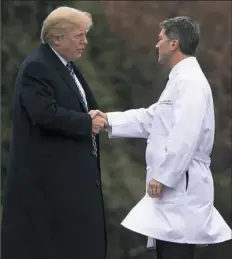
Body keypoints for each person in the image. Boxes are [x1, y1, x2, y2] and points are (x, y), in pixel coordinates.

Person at [89, 16, 232, 259]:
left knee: (175, 252)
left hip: (179, 186)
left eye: (161, 39)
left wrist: (165, 175)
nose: (157, 45)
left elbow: (186, 133)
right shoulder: (179, 81)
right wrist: (109, 120)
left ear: (174, 44)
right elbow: (152, 119)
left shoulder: (191, 82)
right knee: (169, 251)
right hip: (174, 187)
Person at [1, 6, 107, 259]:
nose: (85, 41)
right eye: (78, 35)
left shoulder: (66, 66)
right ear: (56, 38)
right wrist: (85, 123)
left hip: (71, 186)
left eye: (85, 34)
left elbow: (81, 105)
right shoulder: (37, 67)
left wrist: (95, 115)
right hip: (48, 189)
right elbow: (44, 114)